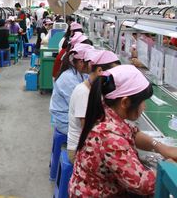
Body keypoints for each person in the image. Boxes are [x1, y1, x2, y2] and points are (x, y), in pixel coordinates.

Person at [70, 64, 177, 197]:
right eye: (142, 102)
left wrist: (161, 147)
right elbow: (143, 185)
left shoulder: (105, 110)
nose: (144, 106)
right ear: (125, 102)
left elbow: (133, 132)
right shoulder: (109, 137)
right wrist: (167, 166)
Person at [66, 50, 121, 163]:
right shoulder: (83, 93)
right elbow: (87, 128)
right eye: (112, 74)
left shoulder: (94, 90)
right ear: (100, 70)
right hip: (77, 150)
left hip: (87, 144)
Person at [49, 43, 93, 134]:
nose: (93, 65)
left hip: (68, 115)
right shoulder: (69, 78)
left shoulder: (79, 73)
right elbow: (80, 107)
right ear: (81, 62)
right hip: (65, 122)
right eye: (91, 62)